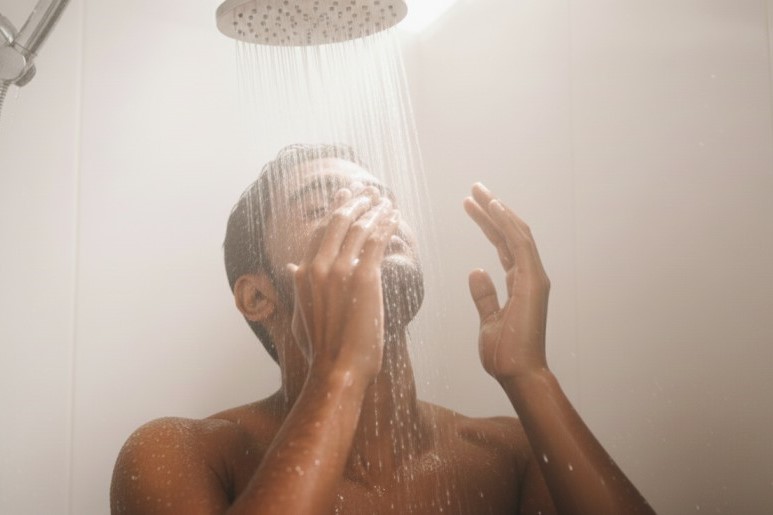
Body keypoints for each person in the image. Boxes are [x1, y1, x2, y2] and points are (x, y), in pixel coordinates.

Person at [110, 144, 654, 515]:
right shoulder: (185, 452)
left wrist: (531, 376)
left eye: (379, 201)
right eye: (322, 204)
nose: (370, 218)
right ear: (258, 296)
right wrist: (338, 373)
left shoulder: (506, 453)